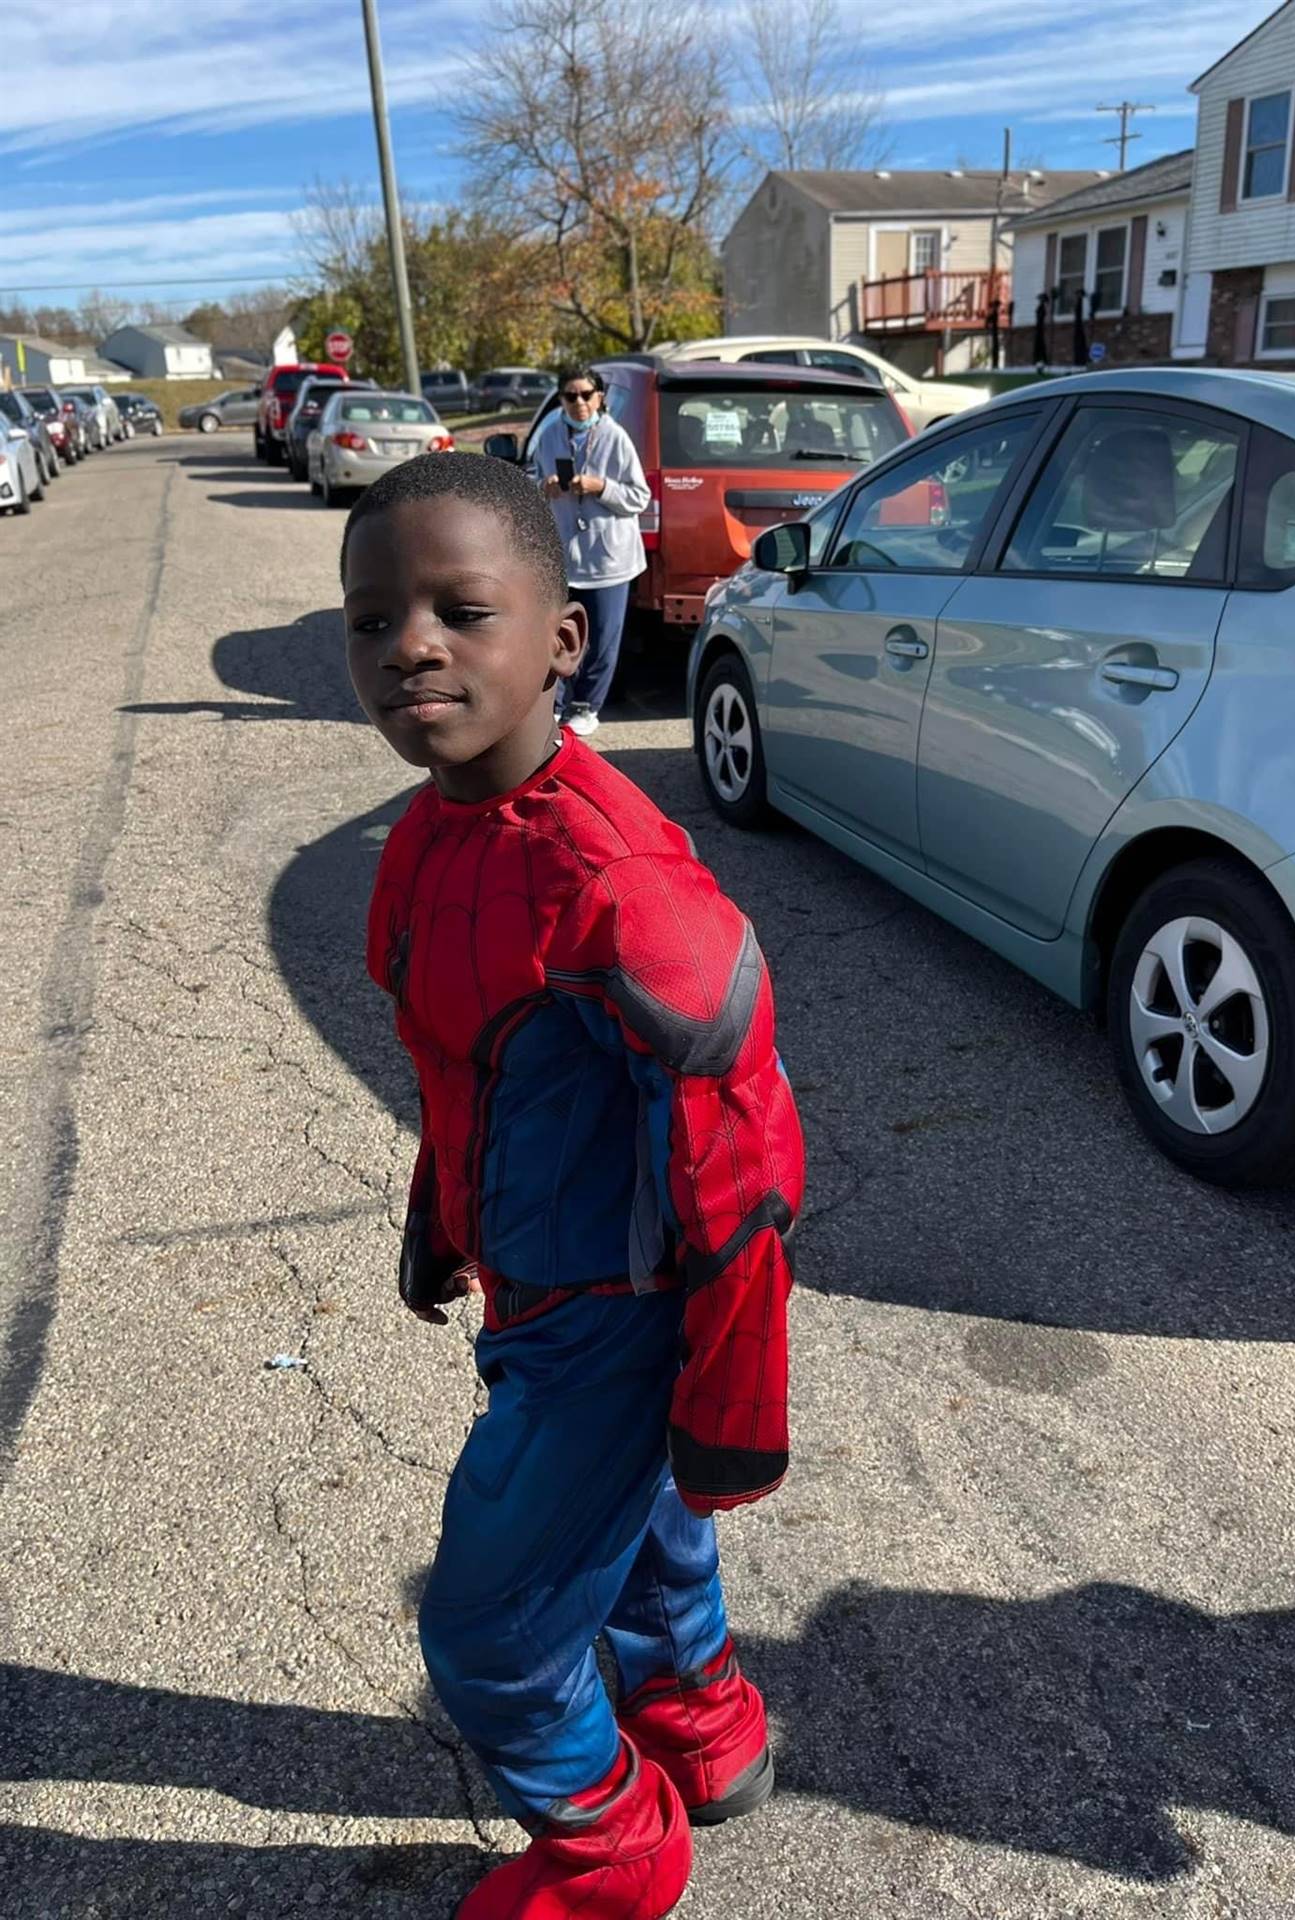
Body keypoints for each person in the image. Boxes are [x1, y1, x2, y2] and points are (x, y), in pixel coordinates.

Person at [340, 452, 805, 1920]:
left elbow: (744, 1171)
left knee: (488, 1640)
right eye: (372, 618)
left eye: (460, 608)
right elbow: (462, 1066)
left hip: (612, 1327)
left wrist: (732, 1406)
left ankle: (615, 1857)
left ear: (562, 635)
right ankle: (705, 1732)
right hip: (531, 1284)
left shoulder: (628, 889)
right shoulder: (426, 841)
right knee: (648, 1538)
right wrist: (439, 1217)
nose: (409, 643)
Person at [526, 364, 649, 740]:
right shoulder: (549, 433)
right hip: (563, 556)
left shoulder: (615, 437)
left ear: (599, 398)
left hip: (609, 559)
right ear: (561, 399)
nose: (579, 403)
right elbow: (529, 476)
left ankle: (587, 706)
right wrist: (541, 485)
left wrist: (601, 487)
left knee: (601, 639)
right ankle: (557, 704)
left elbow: (639, 497)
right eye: (570, 396)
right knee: (556, 634)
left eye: (586, 395)